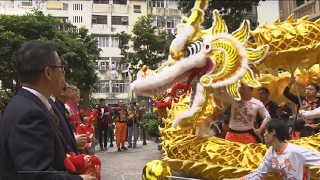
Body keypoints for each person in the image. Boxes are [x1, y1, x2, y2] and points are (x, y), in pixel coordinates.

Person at [0, 40, 96, 180]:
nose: (63, 77)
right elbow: (36, 175)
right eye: (61, 69)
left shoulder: (25, 103)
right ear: (48, 72)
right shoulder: (31, 114)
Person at [223, 119, 320, 180]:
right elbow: (258, 175)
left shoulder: (296, 151)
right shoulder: (271, 154)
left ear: (273, 132)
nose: (263, 135)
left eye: (265, 132)